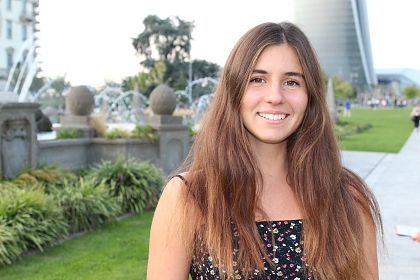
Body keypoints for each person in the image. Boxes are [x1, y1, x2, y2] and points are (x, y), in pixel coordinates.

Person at [147, 22, 382, 280]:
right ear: (234, 90)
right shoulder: (190, 196)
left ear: (310, 95)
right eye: (257, 79)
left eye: (292, 82)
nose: (275, 96)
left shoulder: (348, 197)